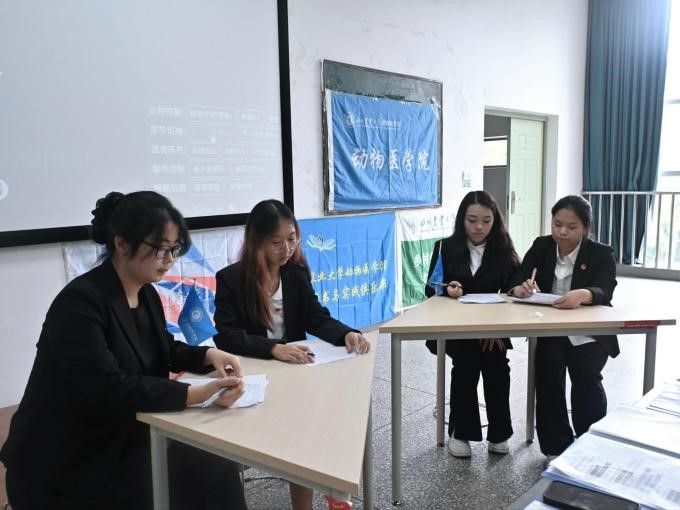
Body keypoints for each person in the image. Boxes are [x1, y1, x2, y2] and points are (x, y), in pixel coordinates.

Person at [0, 191, 248, 510]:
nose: (170, 260)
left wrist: (207, 356)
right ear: (121, 243)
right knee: (174, 479)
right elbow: (109, 387)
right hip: (67, 459)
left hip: (121, 435)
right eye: (161, 249)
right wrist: (197, 394)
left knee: (214, 464)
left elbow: (162, 347)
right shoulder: (79, 303)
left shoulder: (146, 295)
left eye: (175, 249)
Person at [213, 198, 370, 510]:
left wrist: (346, 333)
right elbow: (227, 336)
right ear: (256, 241)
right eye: (276, 242)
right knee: (238, 452)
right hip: (254, 376)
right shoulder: (231, 279)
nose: (285, 249)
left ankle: (323, 496)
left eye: (292, 239)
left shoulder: (295, 274)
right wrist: (273, 348)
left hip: (296, 375)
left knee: (308, 438)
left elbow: (316, 317)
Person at [508, 195, 618, 461]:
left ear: (586, 228)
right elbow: (518, 278)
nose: (562, 232)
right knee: (547, 377)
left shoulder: (601, 253)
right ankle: (556, 448)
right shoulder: (542, 246)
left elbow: (605, 290)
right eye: (557, 224)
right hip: (551, 330)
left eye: (572, 226)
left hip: (587, 332)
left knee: (586, 379)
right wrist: (521, 288)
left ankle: (589, 447)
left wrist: (584, 294)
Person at [424, 190, 520, 458]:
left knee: (498, 366)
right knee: (466, 363)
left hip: (494, 328)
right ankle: (461, 432)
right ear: (462, 220)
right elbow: (430, 288)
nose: (479, 227)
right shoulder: (445, 247)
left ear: (495, 221)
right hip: (456, 330)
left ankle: (499, 433)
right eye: (472, 220)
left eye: (486, 221)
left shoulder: (503, 249)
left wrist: (495, 327)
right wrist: (447, 288)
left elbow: (513, 290)